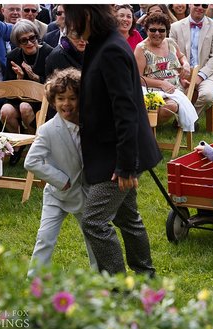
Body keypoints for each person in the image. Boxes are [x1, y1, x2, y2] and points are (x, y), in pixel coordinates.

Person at [65, 4, 161, 277]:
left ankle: (119, 290)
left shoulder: (111, 49)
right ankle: (146, 277)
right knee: (127, 217)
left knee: (94, 222)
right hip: (115, 150)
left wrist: (126, 165)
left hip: (119, 155)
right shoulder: (101, 43)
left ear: (86, 16)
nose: (71, 28)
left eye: (73, 20)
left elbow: (127, 110)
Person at [24, 68, 97, 277]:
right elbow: (32, 161)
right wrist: (61, 180)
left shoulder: (90, 123)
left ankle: (101, 279)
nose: (67, 104)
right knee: (45, 237)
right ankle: (35, 281)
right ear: (53, 101)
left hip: (86, 194)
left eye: (73, 98)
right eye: (61, 98)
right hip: (57, 194)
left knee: (94, 238)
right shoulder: (48, 130)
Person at [135, 13, 198, 130]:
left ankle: (146, 131)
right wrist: (161, 84)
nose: (157, 33)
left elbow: (181, 56)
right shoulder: (141, 48)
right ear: (146, 30)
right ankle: (147, 132)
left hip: (174, 88)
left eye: (161, 30)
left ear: (167, 31)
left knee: (170, 107)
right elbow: (138, 78)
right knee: (157, 107)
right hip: (150, 89)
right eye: (153, 30)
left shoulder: (170, 42)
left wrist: (185, 64)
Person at [2, 19, 53, 137]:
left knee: (24, 107)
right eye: (24, 40)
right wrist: (19, 78)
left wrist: (35, 77)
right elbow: (8, 91)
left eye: (32, 38)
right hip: (18, 98)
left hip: (42, 99)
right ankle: (17, 145)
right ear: (18, 43)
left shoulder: (48, 52)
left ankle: (33, 140)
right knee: (6, 110)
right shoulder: (13, 56)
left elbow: (53, 83)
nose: (29, 43)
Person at [169, 4, 213, 112]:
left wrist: (200, 76)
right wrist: (181, 76)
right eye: (196, 4)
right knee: (173, 97)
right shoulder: (175, 27)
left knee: (208, 96)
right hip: (182, 73)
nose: (200, 7)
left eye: (204, 5)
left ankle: (189, 119)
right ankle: (187, 121)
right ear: (189, 4)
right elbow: (172, 55)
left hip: (208, 74)